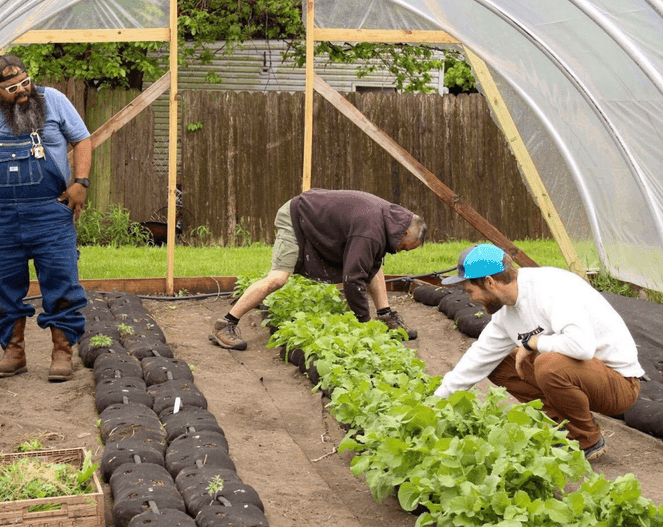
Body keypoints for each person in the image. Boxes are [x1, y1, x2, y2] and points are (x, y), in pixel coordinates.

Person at [0, 54, 92, 382]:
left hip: (50, 211)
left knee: (61, 279)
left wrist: (81, 182)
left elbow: (82, 139)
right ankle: (13, 351)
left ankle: (62, 351)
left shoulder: (53, 101)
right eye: (13, 88)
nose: (23, 91)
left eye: (25, 82)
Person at [433, 243, 645, 461]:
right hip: (582, 377)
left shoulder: (550, 289)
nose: (470, 298)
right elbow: (478, 358)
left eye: (470, 291)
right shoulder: (506, 313)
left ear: (489, 282)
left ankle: (586, 440)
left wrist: (533, 343)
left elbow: (581, 346)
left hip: (618, 385)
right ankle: (566, 426)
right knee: (499, 361)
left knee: (548, 364)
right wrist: (436, 403)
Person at [210, 188, 427, 350]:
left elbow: (367, 262)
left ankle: (385, 315)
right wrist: (364, 322)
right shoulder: (371, 230)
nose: (402, 251)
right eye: (405, 247)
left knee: (372, 260)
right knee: (277, 278)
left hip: (319, 216)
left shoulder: (394, 220)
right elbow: (353, 279)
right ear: (405, 234)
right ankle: (225, 324)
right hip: (297, 217)